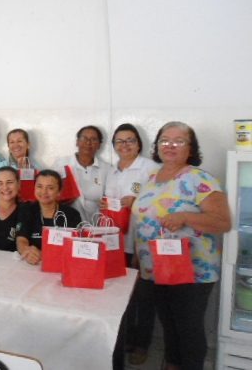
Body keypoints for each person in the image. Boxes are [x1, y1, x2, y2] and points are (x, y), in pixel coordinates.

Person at [133, 121, 231, 370]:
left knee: (187, 327)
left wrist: (186, 217)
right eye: (165, 140)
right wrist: (137, 252)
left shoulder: (201, 179)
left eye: (178, 141)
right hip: (156, 267)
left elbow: (223, 222)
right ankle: (173, 363)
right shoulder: (152, 178)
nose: (170, 146)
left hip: (192, 271)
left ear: (191, 148)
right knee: (168, 321)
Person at [101, 123, 160, 365]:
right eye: (119, 142)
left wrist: (137, 201)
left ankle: (142, 343)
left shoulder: (150, 169)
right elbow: (109, 203)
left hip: (141, 242)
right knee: (120, 296)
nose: (124, 145)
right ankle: (124, 339)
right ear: (114, 146)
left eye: (130, 140)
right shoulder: (113, 171)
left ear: (139, 144)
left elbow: (161, 203)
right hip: (116, 242)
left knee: (144, 297)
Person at [16, 169, 81, 264]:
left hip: (61, 264)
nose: (44, 192)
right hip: (33, 265)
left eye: (50, 188)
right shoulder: (27, 210)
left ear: (59, 192)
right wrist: (27, 251)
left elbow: (75, 246)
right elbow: (21, 239)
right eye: (39, 186)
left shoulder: (71, 214)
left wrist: (45, 255)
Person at [53, 125, 110, 223]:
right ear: (77, 142)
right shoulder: (61, 164)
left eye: (93, 139)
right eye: (84, 138)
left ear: (99, 145)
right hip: (66, 223)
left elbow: (110, 199)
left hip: (95, 226)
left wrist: (108, 203)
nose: (88, 143)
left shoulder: (107, 169)